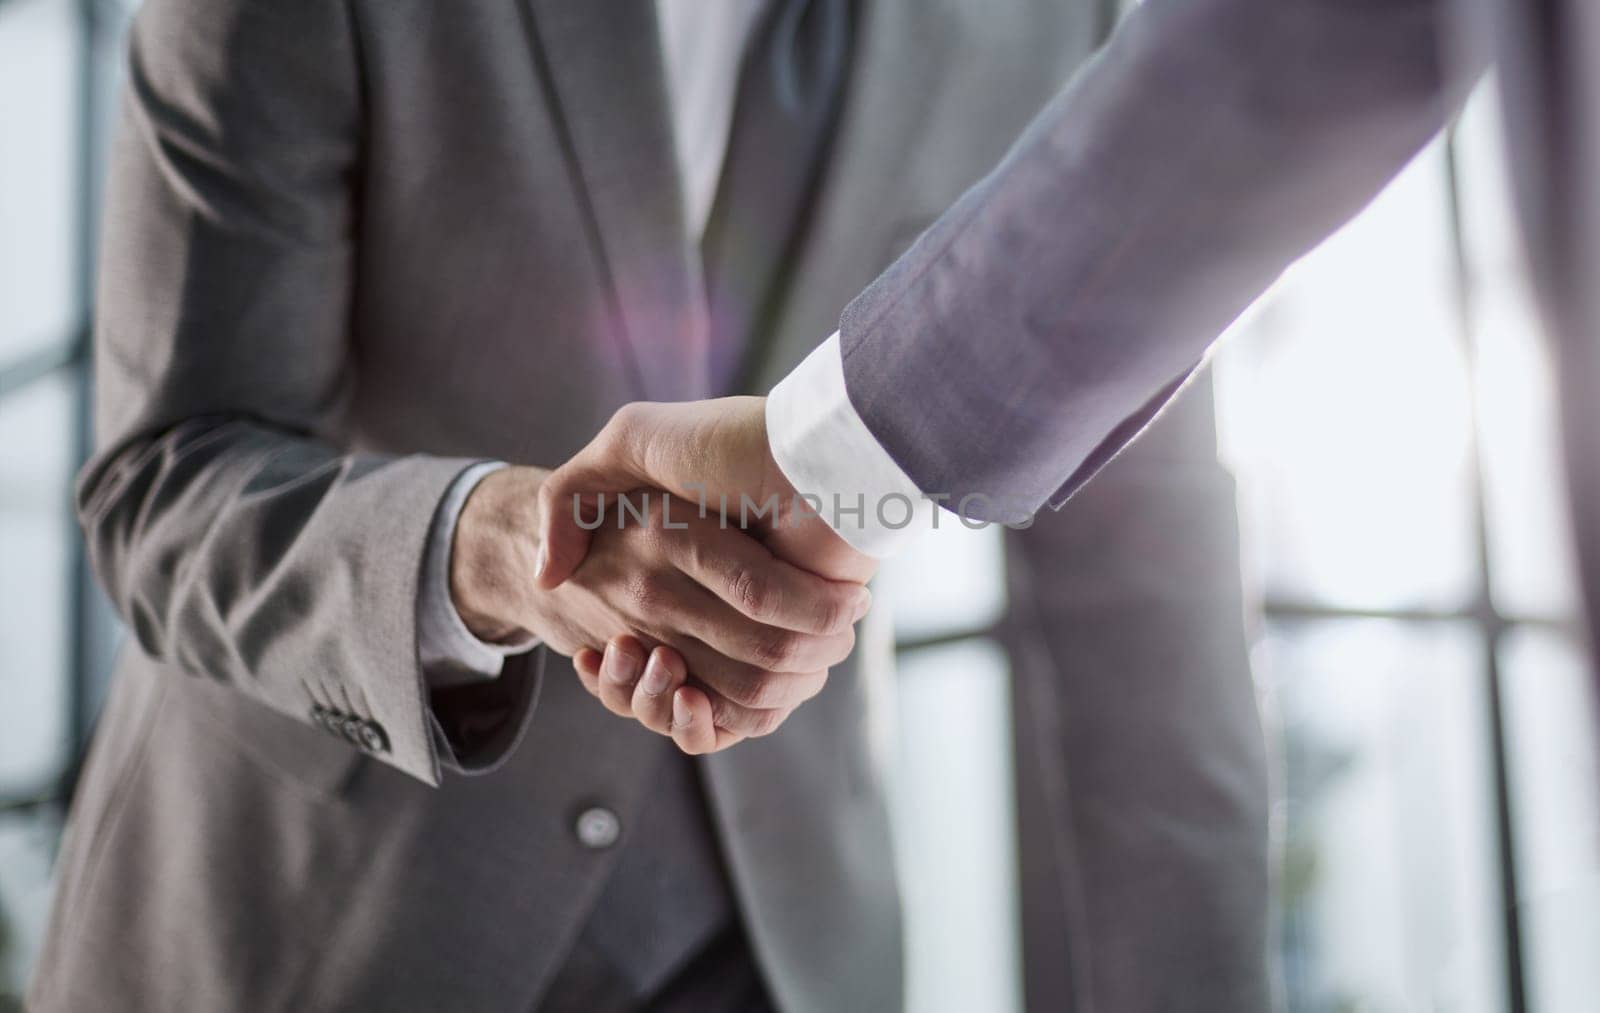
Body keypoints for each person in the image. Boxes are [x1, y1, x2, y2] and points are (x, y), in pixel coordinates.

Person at [29, 1, 1271, 1010]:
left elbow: (1147, 592)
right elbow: (166, 479)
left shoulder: (1068, 22)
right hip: (313, 932)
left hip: (779, 946)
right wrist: (497, 543)